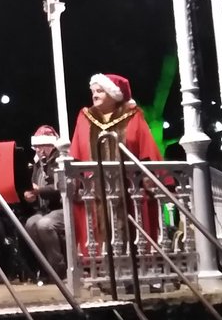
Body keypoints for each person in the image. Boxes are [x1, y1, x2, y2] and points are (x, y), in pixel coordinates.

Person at [69, 73, 162, 255]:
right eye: (93, 91)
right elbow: (76, 152)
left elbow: (146, 149)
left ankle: (132, 266)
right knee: (97, 229)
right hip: (94, 188)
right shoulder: (85, 117)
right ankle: (101, 269)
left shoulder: (132, 116)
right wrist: (75, 182)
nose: (94, 95)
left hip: (128, 188)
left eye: (100, 91)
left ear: (114, 94)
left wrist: (152, 181)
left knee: (131, 227)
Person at [23, 125, 66, 277]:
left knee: (44, 225)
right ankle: (46, 268)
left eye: (40, 146)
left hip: (63, 207)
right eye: (35, 146)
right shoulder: (38, 164)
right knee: (30, 224)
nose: (36, 149)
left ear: (50, 145)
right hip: (46, 209)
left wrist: (38, 191)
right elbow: (35, 186)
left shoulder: (60, 160)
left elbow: (59, 188)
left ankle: (58, 269)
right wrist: (31, 196)